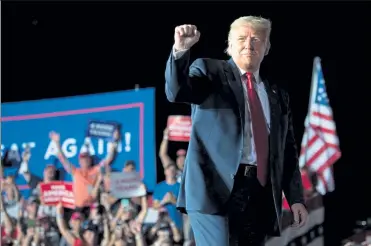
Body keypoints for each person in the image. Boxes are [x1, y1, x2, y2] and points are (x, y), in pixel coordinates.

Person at [164, 16, 308, 246]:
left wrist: (296, 198)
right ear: (230, 45)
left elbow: (287, 152)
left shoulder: (277, 96)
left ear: (267, 47)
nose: (248, 44)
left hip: (258, 193)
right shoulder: (209, 72)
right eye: (241, 38)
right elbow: (176, 91)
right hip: (212, 190)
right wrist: (180, 51)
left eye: (256, 39)